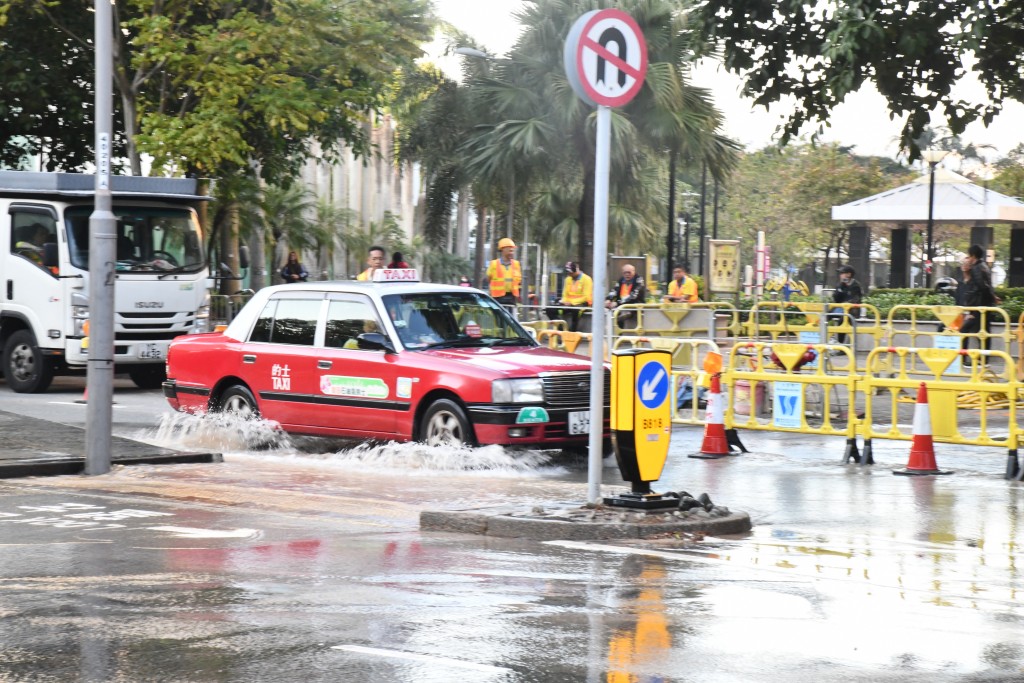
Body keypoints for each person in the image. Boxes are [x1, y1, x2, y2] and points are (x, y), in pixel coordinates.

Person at [960, 244, 997, 357]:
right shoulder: (983, 266)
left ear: (973, 255)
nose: (968, 258)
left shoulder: (976, 268)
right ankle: (983, 359)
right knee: (984, 331)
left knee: (965, 329)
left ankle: (964, 357)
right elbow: (987, 286)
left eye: (969, 255)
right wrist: (993, 296)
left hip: (978, 306)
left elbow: (982, 287)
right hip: (984, 305)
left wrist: (974, 308)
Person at [547, 261, 593, 332]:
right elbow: (565, 295)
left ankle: (573, 333)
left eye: (571, 272)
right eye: (568, 272)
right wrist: (564, 302)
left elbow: (586, 297)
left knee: (575, 311)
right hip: (568, 304)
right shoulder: (568, 279)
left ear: (576, 270)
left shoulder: (587, 279)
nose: (569, 274)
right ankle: (563, 329)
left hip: (582, 304)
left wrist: (571, 302)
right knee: (549, 310)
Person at [605, 263, 647, 329]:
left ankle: (619, 332)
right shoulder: (621, 280)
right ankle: (615, 334)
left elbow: (633, 296)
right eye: (625, 273)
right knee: (607, 311)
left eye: (629, 272)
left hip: (634, 306)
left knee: (621, 315)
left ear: (634, 271)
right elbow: (614, 291)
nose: (627, 274)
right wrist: (608, 299)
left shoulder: (639, 281)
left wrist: (617, 303)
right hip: (621, 306)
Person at [829, 265, 862, 344]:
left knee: (842, 320)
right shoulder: (841, 285)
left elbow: (856, 299)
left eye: (842, 273)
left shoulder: (855, 285)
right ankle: (828, 338)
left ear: (849, 274)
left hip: (852, 310)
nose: (840, 275)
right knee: (825, 316)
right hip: (840, 308)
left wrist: (846, 303)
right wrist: (840, 288)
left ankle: (841, 345)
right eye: (840, 273)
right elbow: (836, 299)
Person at [485, 237, 522, 308]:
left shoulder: (516, 264)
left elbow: (518, 281)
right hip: (497, 297)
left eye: (512, 250)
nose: (511, 252)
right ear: (503, 249)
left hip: (512, 297)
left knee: (510, 318)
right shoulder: (494, 264)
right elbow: (489, 279)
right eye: (509, 250)